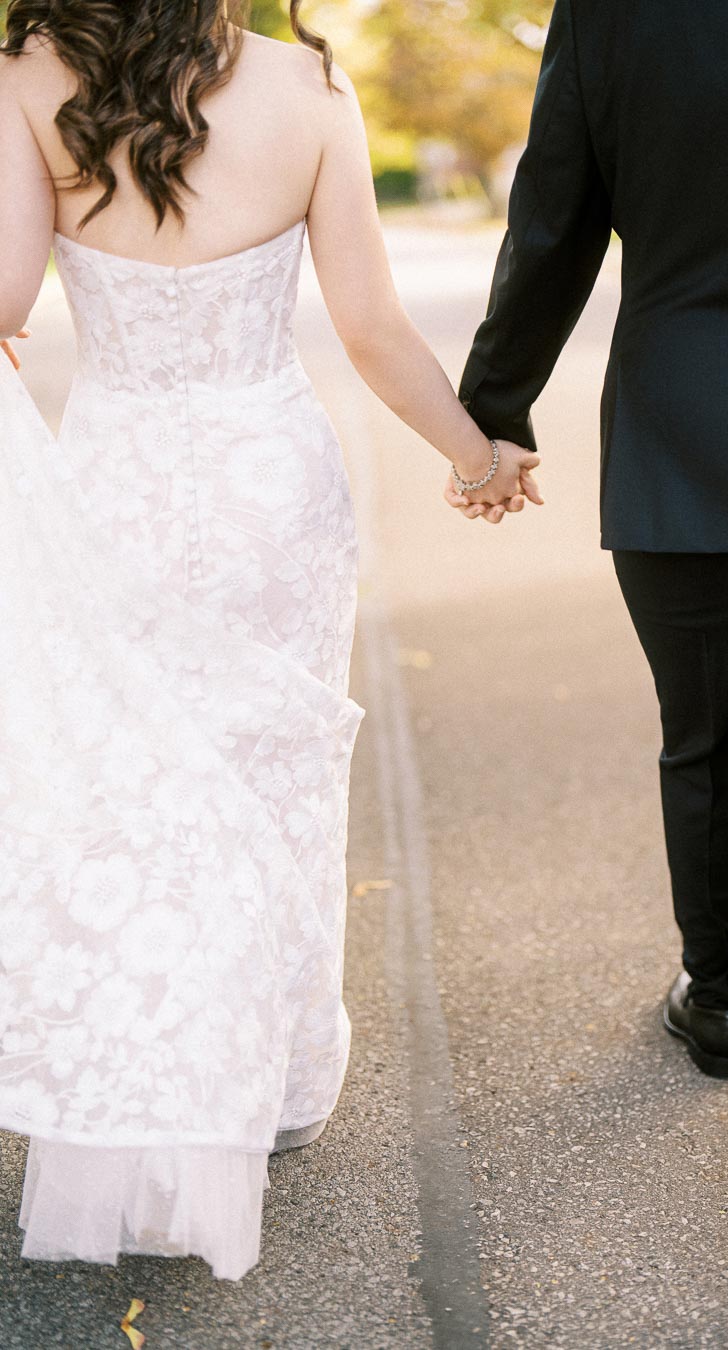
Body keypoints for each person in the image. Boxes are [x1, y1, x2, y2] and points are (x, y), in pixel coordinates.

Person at [0, 0, 540, 1280]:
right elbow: (369, 329)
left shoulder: (27, 79)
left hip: (118, 476)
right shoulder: (305, 86)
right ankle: (280, 1077)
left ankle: (134, 1064)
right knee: (275, 773)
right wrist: (477, 453)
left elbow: (4, 310)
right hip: (270, 489)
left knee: (130, 783)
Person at [453, 0, 728, 1305]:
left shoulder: (613, 14)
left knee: (705, 736)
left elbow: (554, 223)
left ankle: (717, 996)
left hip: (681, 450)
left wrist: (493, 407)